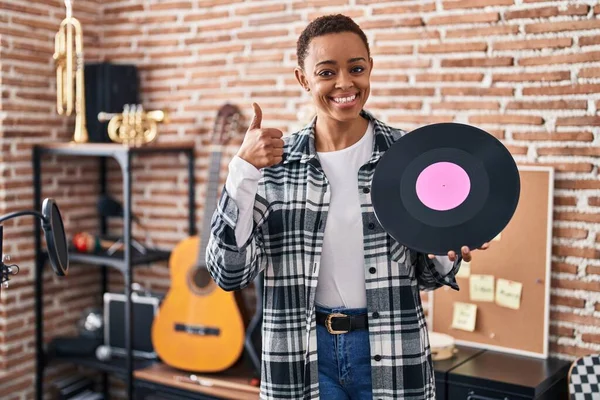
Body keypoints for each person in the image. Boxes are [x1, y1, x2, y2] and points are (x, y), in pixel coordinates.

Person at [206, 14, 488, 400]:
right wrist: (241, 172)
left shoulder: (409, 157)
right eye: (326, 72)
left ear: (370, 68)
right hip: (301, 356)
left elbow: (425, 274)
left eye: (356, 68)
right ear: (303, 79)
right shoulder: (271, 165)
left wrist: (446, 248)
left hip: (391, 350)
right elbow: (228, 273)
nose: (345, 83)